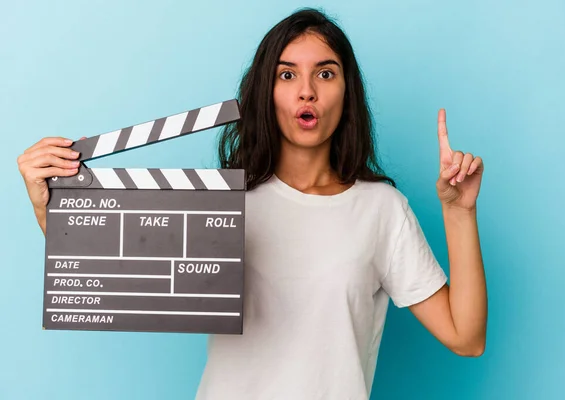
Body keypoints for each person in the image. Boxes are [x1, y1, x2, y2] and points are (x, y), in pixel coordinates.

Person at [17, 7, 487, 400]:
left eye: (325, 73)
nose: (307, 90)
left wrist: (459, 211)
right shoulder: (220, 203)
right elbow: (114, 275)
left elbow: (466, 337)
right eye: (288, 74)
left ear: (347, 93)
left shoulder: (382, 210)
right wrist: (48, 206)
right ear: (267, 92)